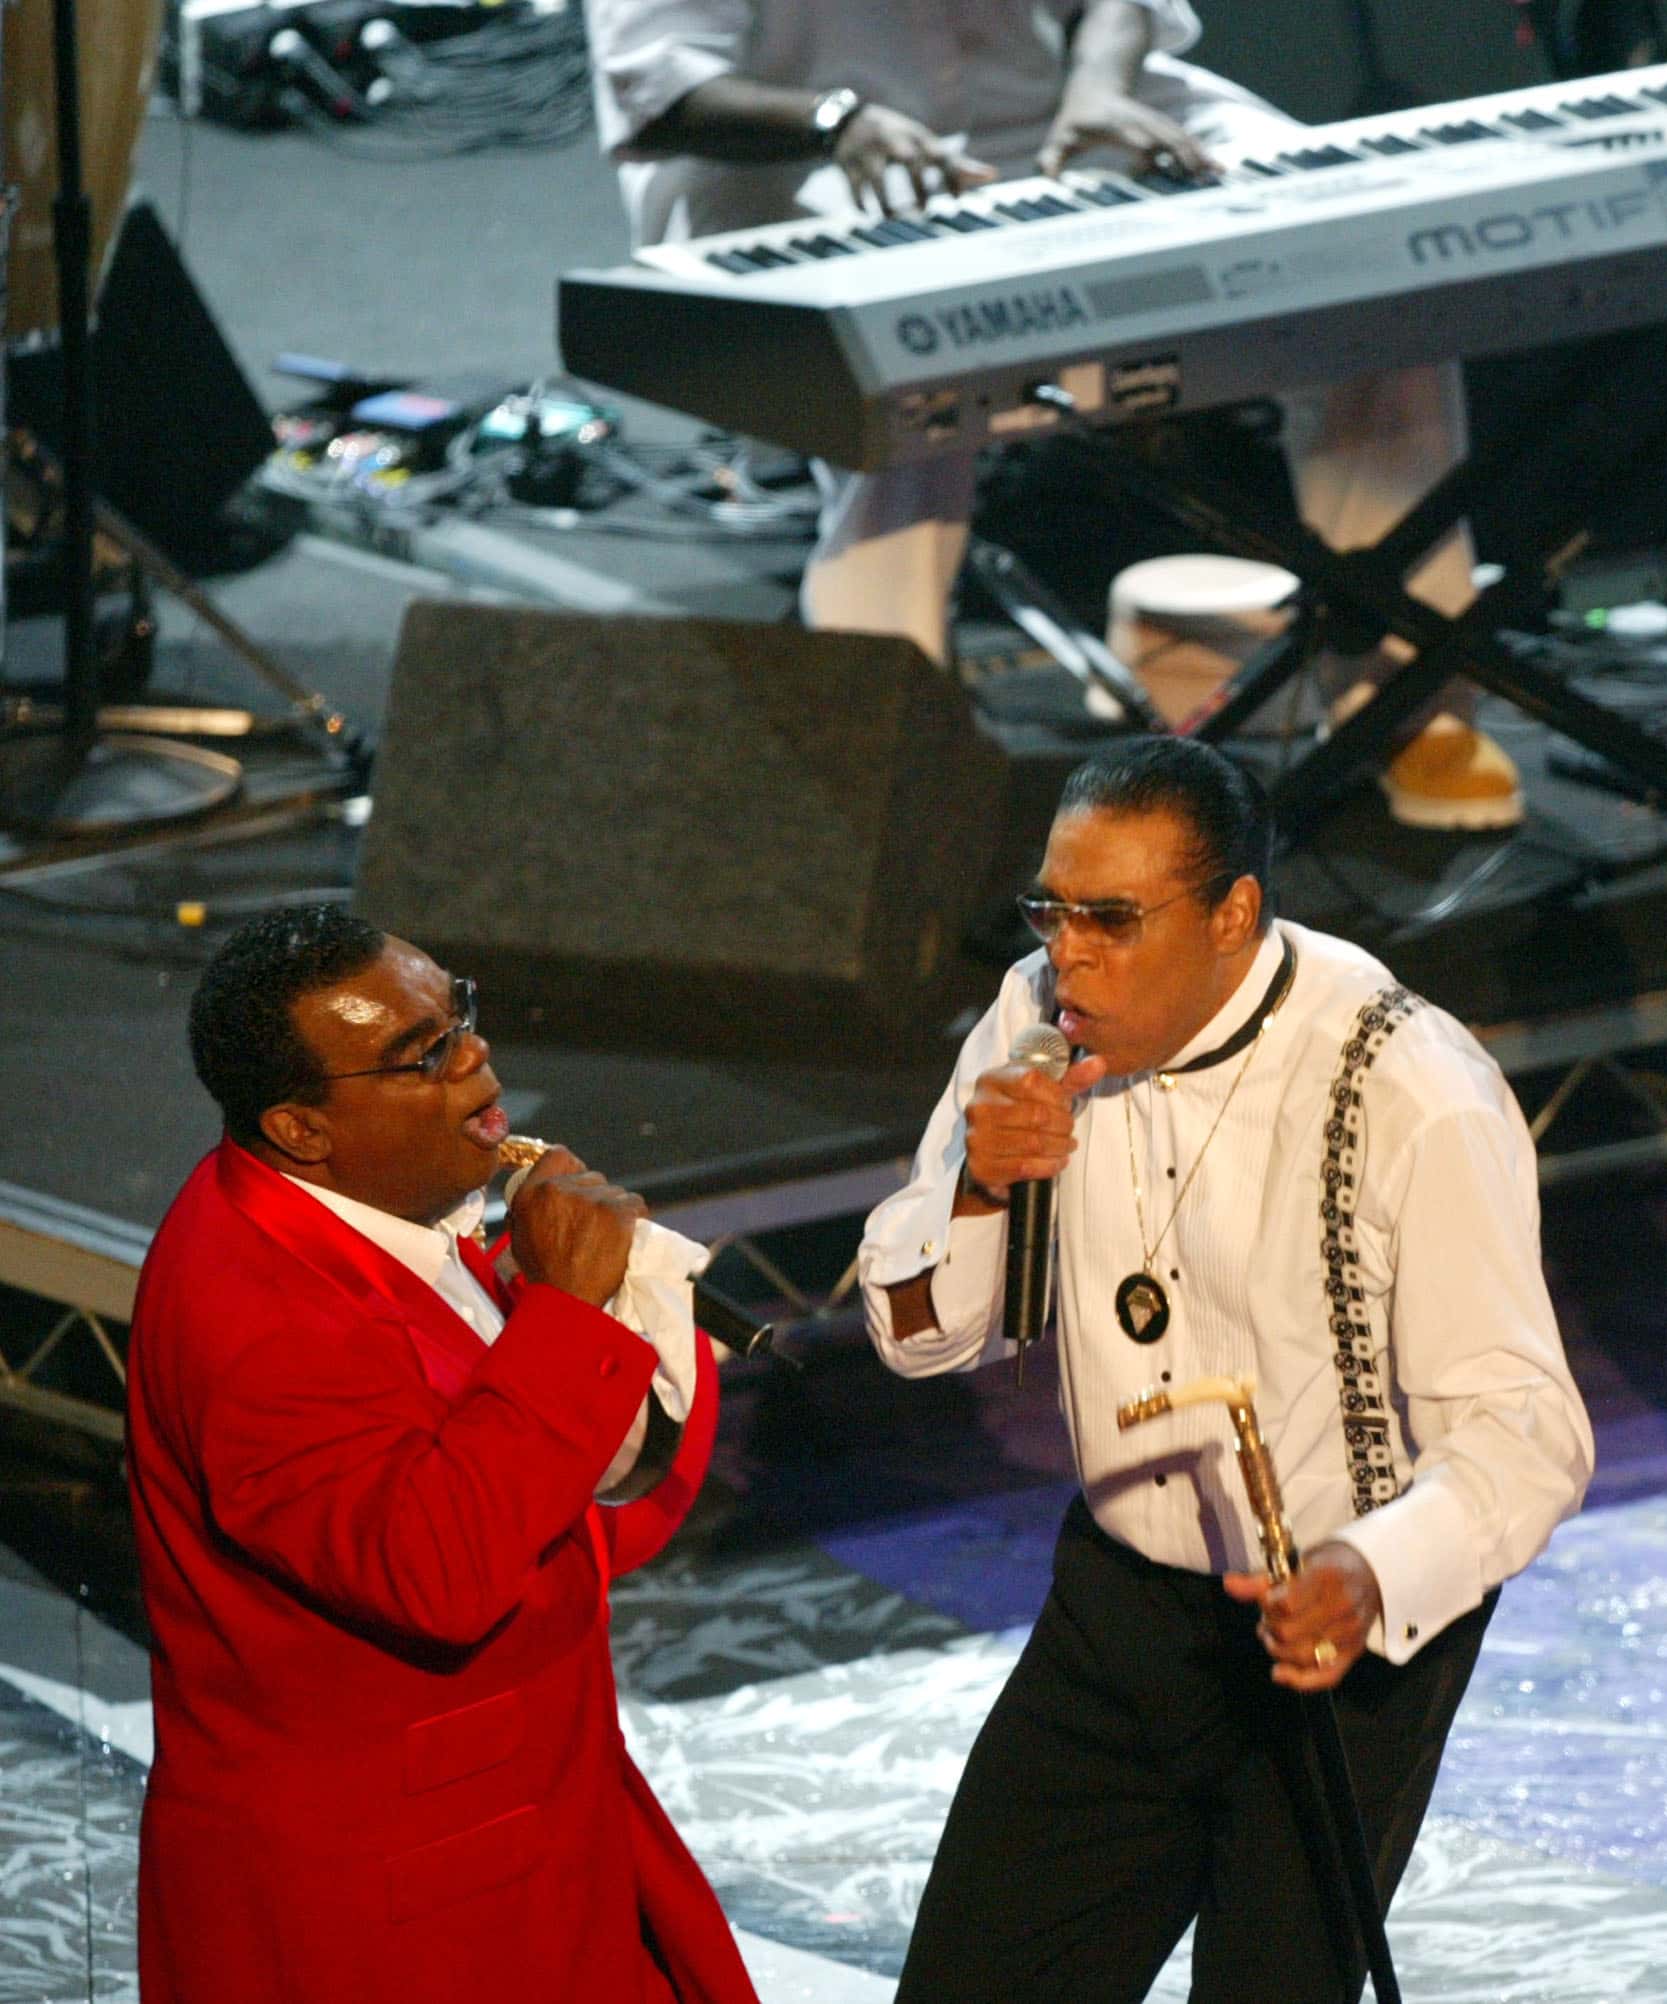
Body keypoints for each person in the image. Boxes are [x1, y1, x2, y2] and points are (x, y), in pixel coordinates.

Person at [858, 736, 1591, 2000]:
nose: (1067, 951)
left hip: (1339, 1635)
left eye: (1110, 919)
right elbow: (915, 1335)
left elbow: (1526, 1433)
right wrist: (981, 1187)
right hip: (1121, 1611)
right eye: (1051, 909)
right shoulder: (1035, 1017)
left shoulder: (1411, 1087)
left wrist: (1369, 1573)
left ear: (1233, 913)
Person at [581, 0, 1524, 828]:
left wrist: (1101, 87)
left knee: (1374, 282)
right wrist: (843, 121)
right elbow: (660, 88)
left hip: (1062, 109)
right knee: (908, 341)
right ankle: (890, 733)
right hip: (800, 147)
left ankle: (1408, 699)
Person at [124, 907, 752, 2002]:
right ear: (301, 1127)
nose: (475, 1057)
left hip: (527, 1823)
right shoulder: (257, 1319)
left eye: (457, 1010)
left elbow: (530, 1495)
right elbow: (435, 1572)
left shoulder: (370, 1211)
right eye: (424, 1055)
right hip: (393, 1909)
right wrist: (562, 1311)